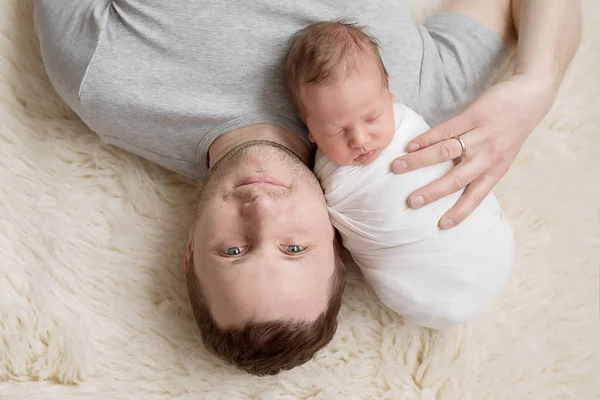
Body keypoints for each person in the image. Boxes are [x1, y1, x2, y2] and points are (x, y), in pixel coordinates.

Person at [33, 0, 581, 375]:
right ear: (339, 246)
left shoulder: (103, 81)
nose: (262, 211)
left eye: (234, 250)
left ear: (191, 252)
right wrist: (538, 82)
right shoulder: (403, 116)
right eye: (294, 248)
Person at [285, 20, 514, 328]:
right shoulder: (320, 177)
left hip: (484, 248)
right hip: (413, 286)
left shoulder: (411, 124)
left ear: (389, 93)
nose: (360, 140)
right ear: (309, 128)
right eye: (336, 130)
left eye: (372, 117)